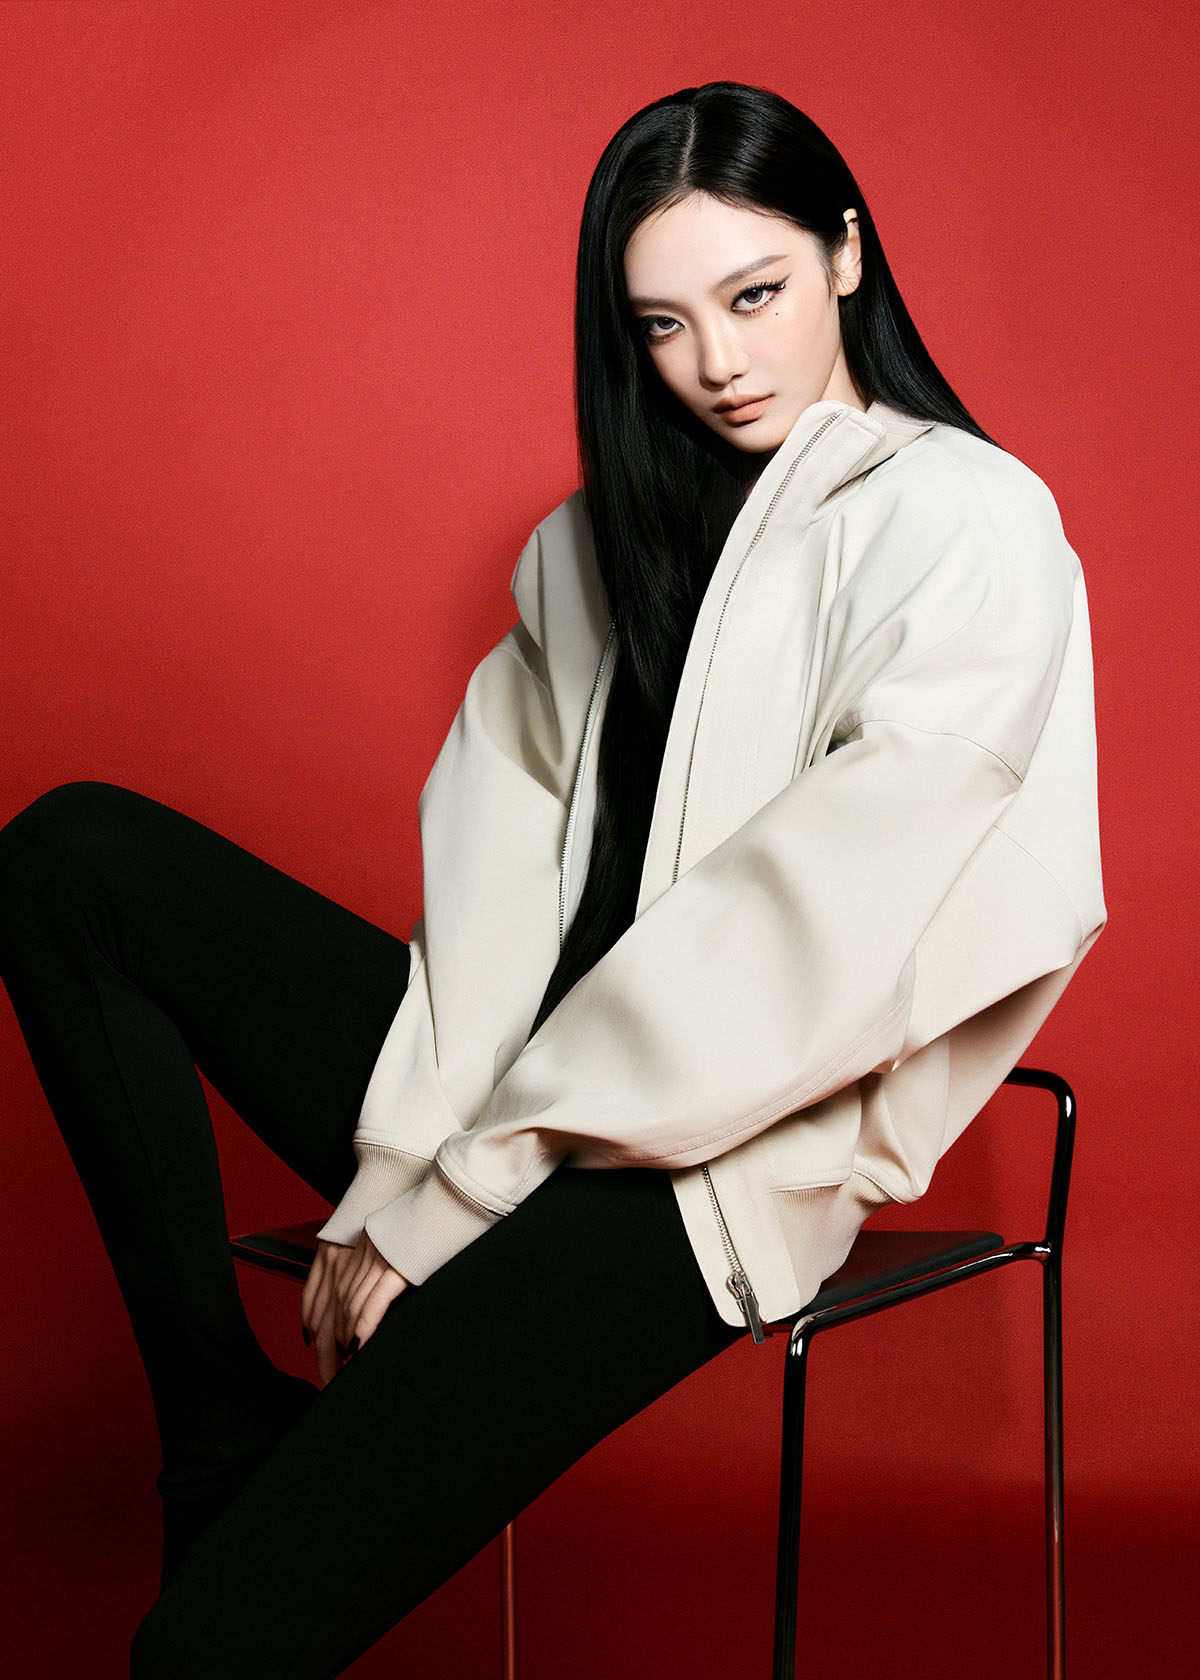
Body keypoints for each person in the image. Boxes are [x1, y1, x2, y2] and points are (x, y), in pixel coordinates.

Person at [0, 80, 1105, 1678]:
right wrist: (412, 1158)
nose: (717, 362)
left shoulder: (968, 523)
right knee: (71, 859)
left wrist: (444, 1204)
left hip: (709, 1165)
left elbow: (792, 953)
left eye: (754, 295)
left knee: (205, 1648)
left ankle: (244, 1519)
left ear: (847, 255)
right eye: (663, 324)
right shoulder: (591, 547)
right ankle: (217, 1428)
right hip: (512, 1094)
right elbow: (496, 898)